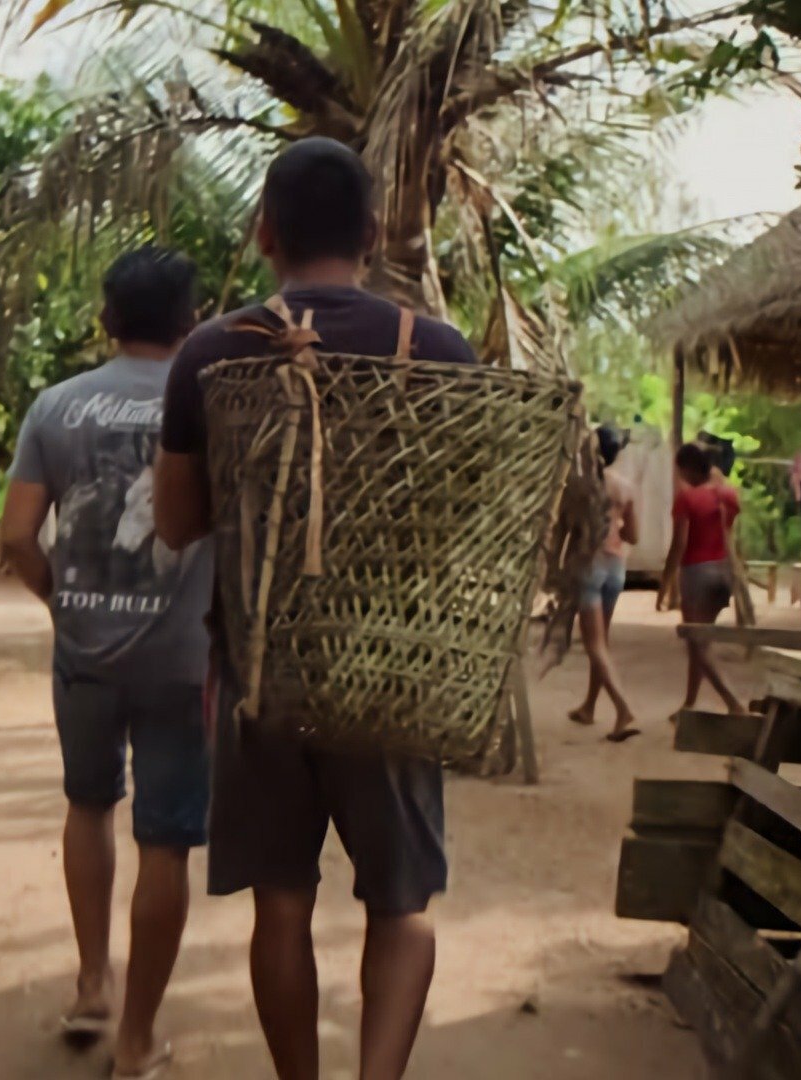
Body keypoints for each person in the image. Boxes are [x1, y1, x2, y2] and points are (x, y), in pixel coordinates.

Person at [154, 137, 477, 1080]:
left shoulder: (212, 354)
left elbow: (177, 525)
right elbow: (471, 516)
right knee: (401, 907)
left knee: (282, 905)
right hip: (395, 674)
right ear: (373, 236)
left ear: (265, 233)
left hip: (262, 673)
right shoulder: (441, 352)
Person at [0, 248, 214, 1080]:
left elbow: (17, 537)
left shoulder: (55, 406)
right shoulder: (213, 406)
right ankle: (137, 1040)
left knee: (87, 805)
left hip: (83, 651)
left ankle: (92, 985)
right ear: (191, 323)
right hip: (184, 656)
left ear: (107, 320)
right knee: (166, 843)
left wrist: (64, 602)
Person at [659, 440, 749, 720]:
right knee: (700, 641)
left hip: (697, 572)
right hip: (725, 570)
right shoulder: (729, 495)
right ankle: (689, 705)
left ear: (686, 469)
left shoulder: (687, 499)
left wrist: (665, 583)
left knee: (697, 644)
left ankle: (733, 702)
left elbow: (680, 544)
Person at [570, 424, 640, 741]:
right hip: (616, 566)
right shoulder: (624, 487)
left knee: (594, 645)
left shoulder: (581, 485)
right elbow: (633, 536)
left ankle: (623, 709)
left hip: (589, 565)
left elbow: (567, 529)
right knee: (603, 643)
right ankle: (588, 706)